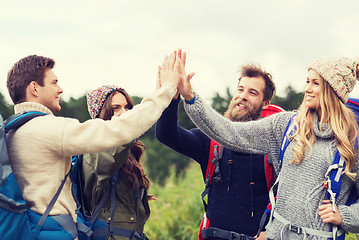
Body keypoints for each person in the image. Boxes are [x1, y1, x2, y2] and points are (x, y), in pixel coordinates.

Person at [178, 56, 359, 239]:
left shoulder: (352, 142)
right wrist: (191, 98)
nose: (307, 89)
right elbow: (231, 133)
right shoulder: (286, 125)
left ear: (333, 90)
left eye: (315, 83)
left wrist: (345, 216)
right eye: (307, 81)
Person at [5, 53, 181, 238]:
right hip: (54, 231)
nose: (60, 89)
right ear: (34, 87)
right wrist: (166, 90)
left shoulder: (12, 130)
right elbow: (119, 130)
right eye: (54, 82)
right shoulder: (49, 129)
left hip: (31, 229)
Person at [156, 50, 279, 240]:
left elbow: (288, 199)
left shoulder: (275, 146)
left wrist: (271, 232)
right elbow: (167, 134)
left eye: (252, 92)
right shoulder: (211, 141)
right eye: (240, 89)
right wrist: (171, 96)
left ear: (265, 103)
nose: (243, 96)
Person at [81, 85, 154, 240]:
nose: (124, 113)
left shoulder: (128, 153)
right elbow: (107, 159)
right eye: (116, 108)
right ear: (101, 114)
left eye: (128, 107)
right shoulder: (94, 150)